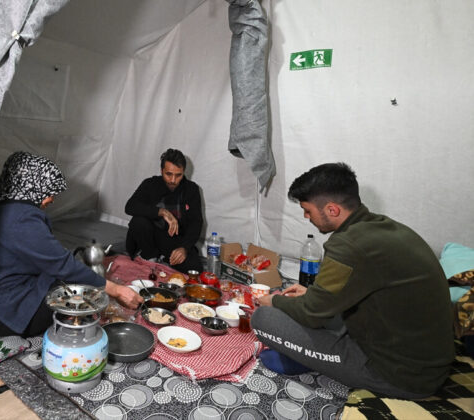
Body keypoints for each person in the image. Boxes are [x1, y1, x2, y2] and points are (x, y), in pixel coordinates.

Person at [252, 162, 454, 399]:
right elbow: (360, 288)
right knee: (309, 305)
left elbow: (311, 314)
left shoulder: (349, 245)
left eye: (308, 210)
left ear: (332, 210)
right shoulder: (385, 228)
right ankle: (308, 354)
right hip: (427, 364)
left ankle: (313, 358)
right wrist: (311, 295)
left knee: (264, 318)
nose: (306, 217)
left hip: (399, 375)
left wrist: (273, 301)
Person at [0, 151, 142, 339]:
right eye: (49, 192)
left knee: (67, 282)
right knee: (72, 296)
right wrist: (116, 290)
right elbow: (62, 265)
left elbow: (41, 253)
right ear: (33, 185)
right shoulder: (20, 217)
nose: (51, 199)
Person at [124, 148, 204, 273]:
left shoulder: (191, 189)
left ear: (183, 172)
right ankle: (150, 257)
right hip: (149, 238)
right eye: (168, 174)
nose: (173, 180)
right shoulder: (150, 184)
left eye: (178, 175)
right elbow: (130, 206)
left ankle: (162, 260)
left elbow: (196, 222)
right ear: (162, 171)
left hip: (173, 240)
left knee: (194, 269)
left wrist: (184, 248)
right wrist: (162, 212)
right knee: (138, 221)